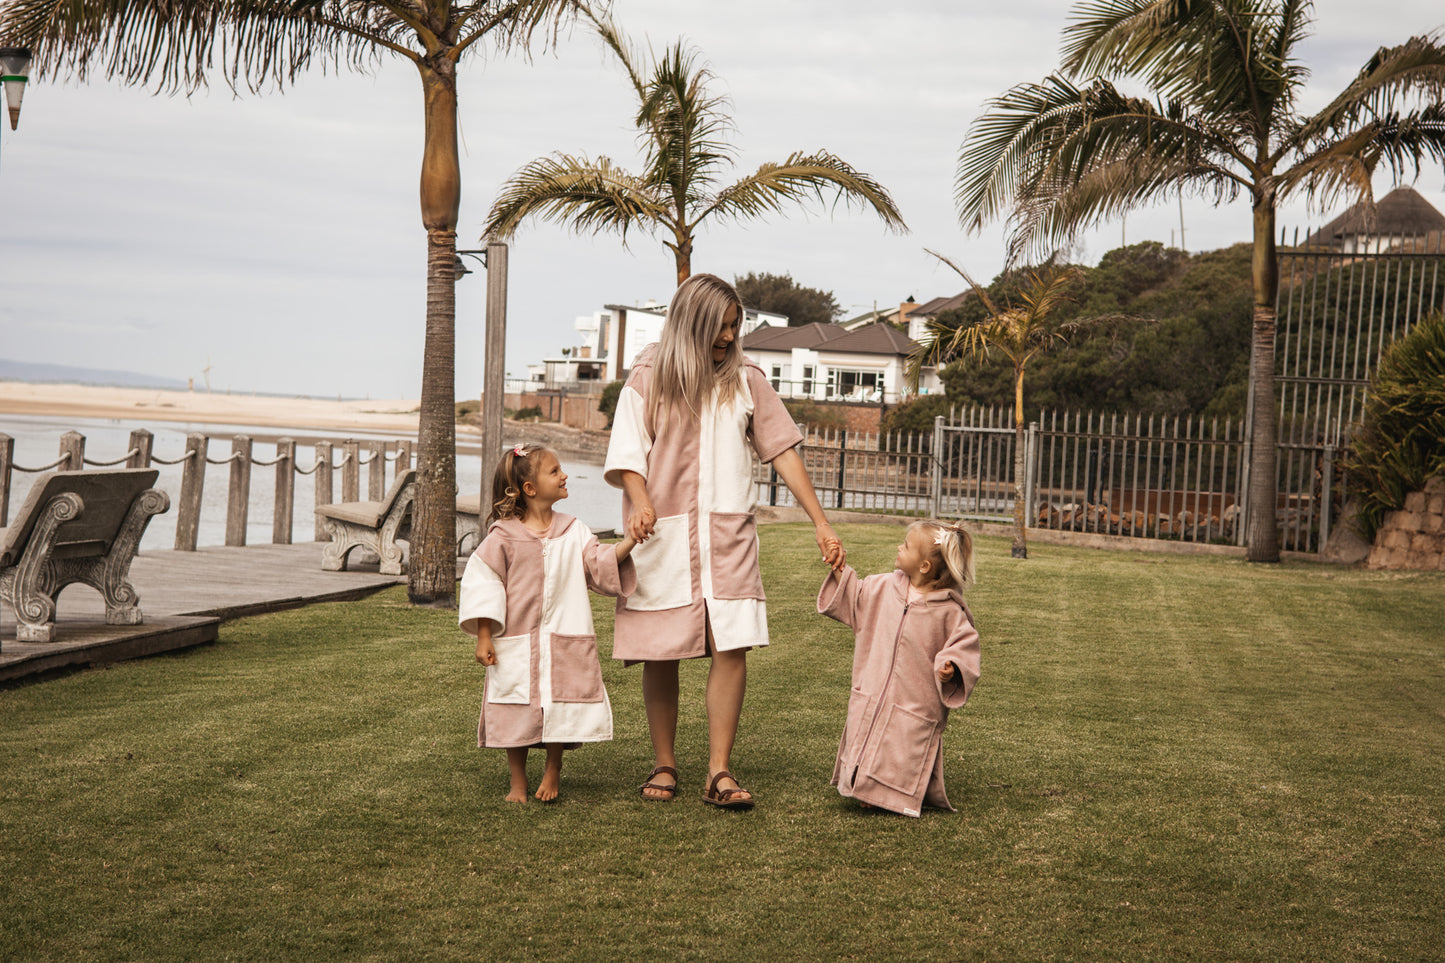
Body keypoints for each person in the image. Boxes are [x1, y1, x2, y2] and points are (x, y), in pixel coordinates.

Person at [604, 272, 845, 810]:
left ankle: (719, 770)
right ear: (692, 322)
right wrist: (642, 503)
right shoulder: (648, 375)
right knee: (661, 650)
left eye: (736, 326)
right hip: (661, 536)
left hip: (728, 535)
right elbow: (627, 454)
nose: (729, 336)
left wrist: (820, 522)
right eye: (720, 326)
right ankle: (664, 763)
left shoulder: (748, 379)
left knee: (731, 645)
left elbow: (782, 450)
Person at [460, 444, 638, 803]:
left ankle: (553, 768)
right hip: (516, 638)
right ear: (529, 488)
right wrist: (483, 635)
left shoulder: (574, 530)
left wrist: (630, 541)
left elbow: (598, 562)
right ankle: (517, 783)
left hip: (564, 635)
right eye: (555, 471)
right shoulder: (503, 536)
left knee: (562, 701)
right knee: (515, 706)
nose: (564, 475)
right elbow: (484, 582)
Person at [817, 520, 981, 817]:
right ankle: (865, 788)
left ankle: (885, 795)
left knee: (901, 747)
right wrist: (839, 566)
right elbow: (855, 595)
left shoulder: (948, 611)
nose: (899, 547)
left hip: (914, 700)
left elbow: (964, 645)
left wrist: (951, 667)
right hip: (873, 686)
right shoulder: (883, 587)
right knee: (869, 734)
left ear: (924, 567)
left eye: (905, 546)